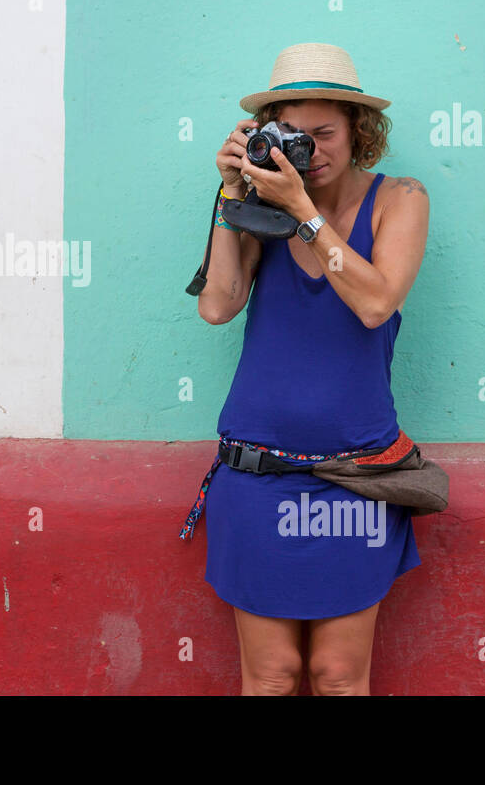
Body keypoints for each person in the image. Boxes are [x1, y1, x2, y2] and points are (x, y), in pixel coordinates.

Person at [183, 42, 430, 695]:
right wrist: (231, 194)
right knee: (271, 676)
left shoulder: (398, 199)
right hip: (257, 475)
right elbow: (218, 305)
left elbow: (376, 303)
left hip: (354, 478)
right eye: (294, 136)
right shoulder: (261, 206)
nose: (312, 152)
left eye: (326, 134)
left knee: (338, 675)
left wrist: (303, 214)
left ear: (359, 132)